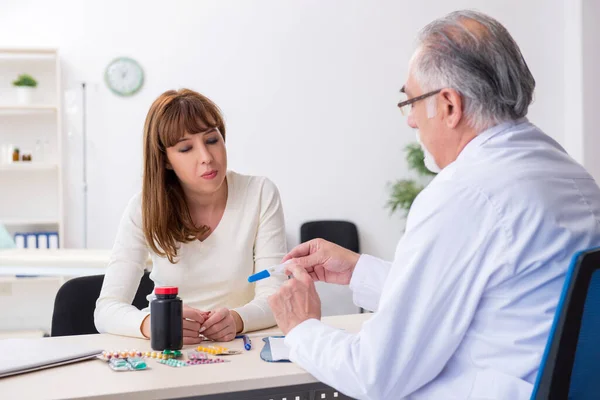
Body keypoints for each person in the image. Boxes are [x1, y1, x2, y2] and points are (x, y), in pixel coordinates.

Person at [268, 10, 600, 400]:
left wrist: (301, 327)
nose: (410, 121)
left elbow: (376, 375)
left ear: (448, 106)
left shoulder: (464, 193)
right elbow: (484, 296)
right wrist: (360, 272)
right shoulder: (565, 171)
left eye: (410, 101)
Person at [95, 88, 287, 344]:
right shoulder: (144, 207)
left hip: (239, 348)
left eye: (211, 140)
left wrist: (238, 319)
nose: (207, 158)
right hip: (169, 351)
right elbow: (106, 309)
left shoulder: (260, 193)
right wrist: (152, 324)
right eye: (186, 149)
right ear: (165, 161)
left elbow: (275, 295)